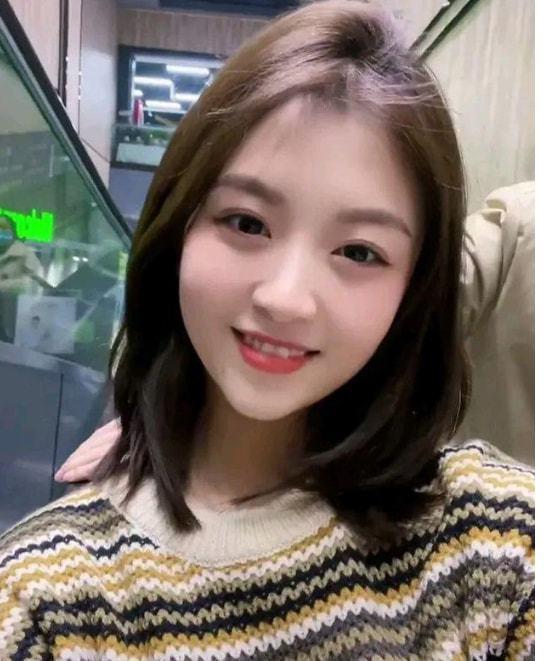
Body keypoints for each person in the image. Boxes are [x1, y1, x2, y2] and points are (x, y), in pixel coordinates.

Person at [0, 2, 534, 659]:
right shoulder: (46, 594)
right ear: (177, 227)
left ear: (414, 287)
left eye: (359, 251)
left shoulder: (496, 542)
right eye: (246, 223)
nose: (285, 298)